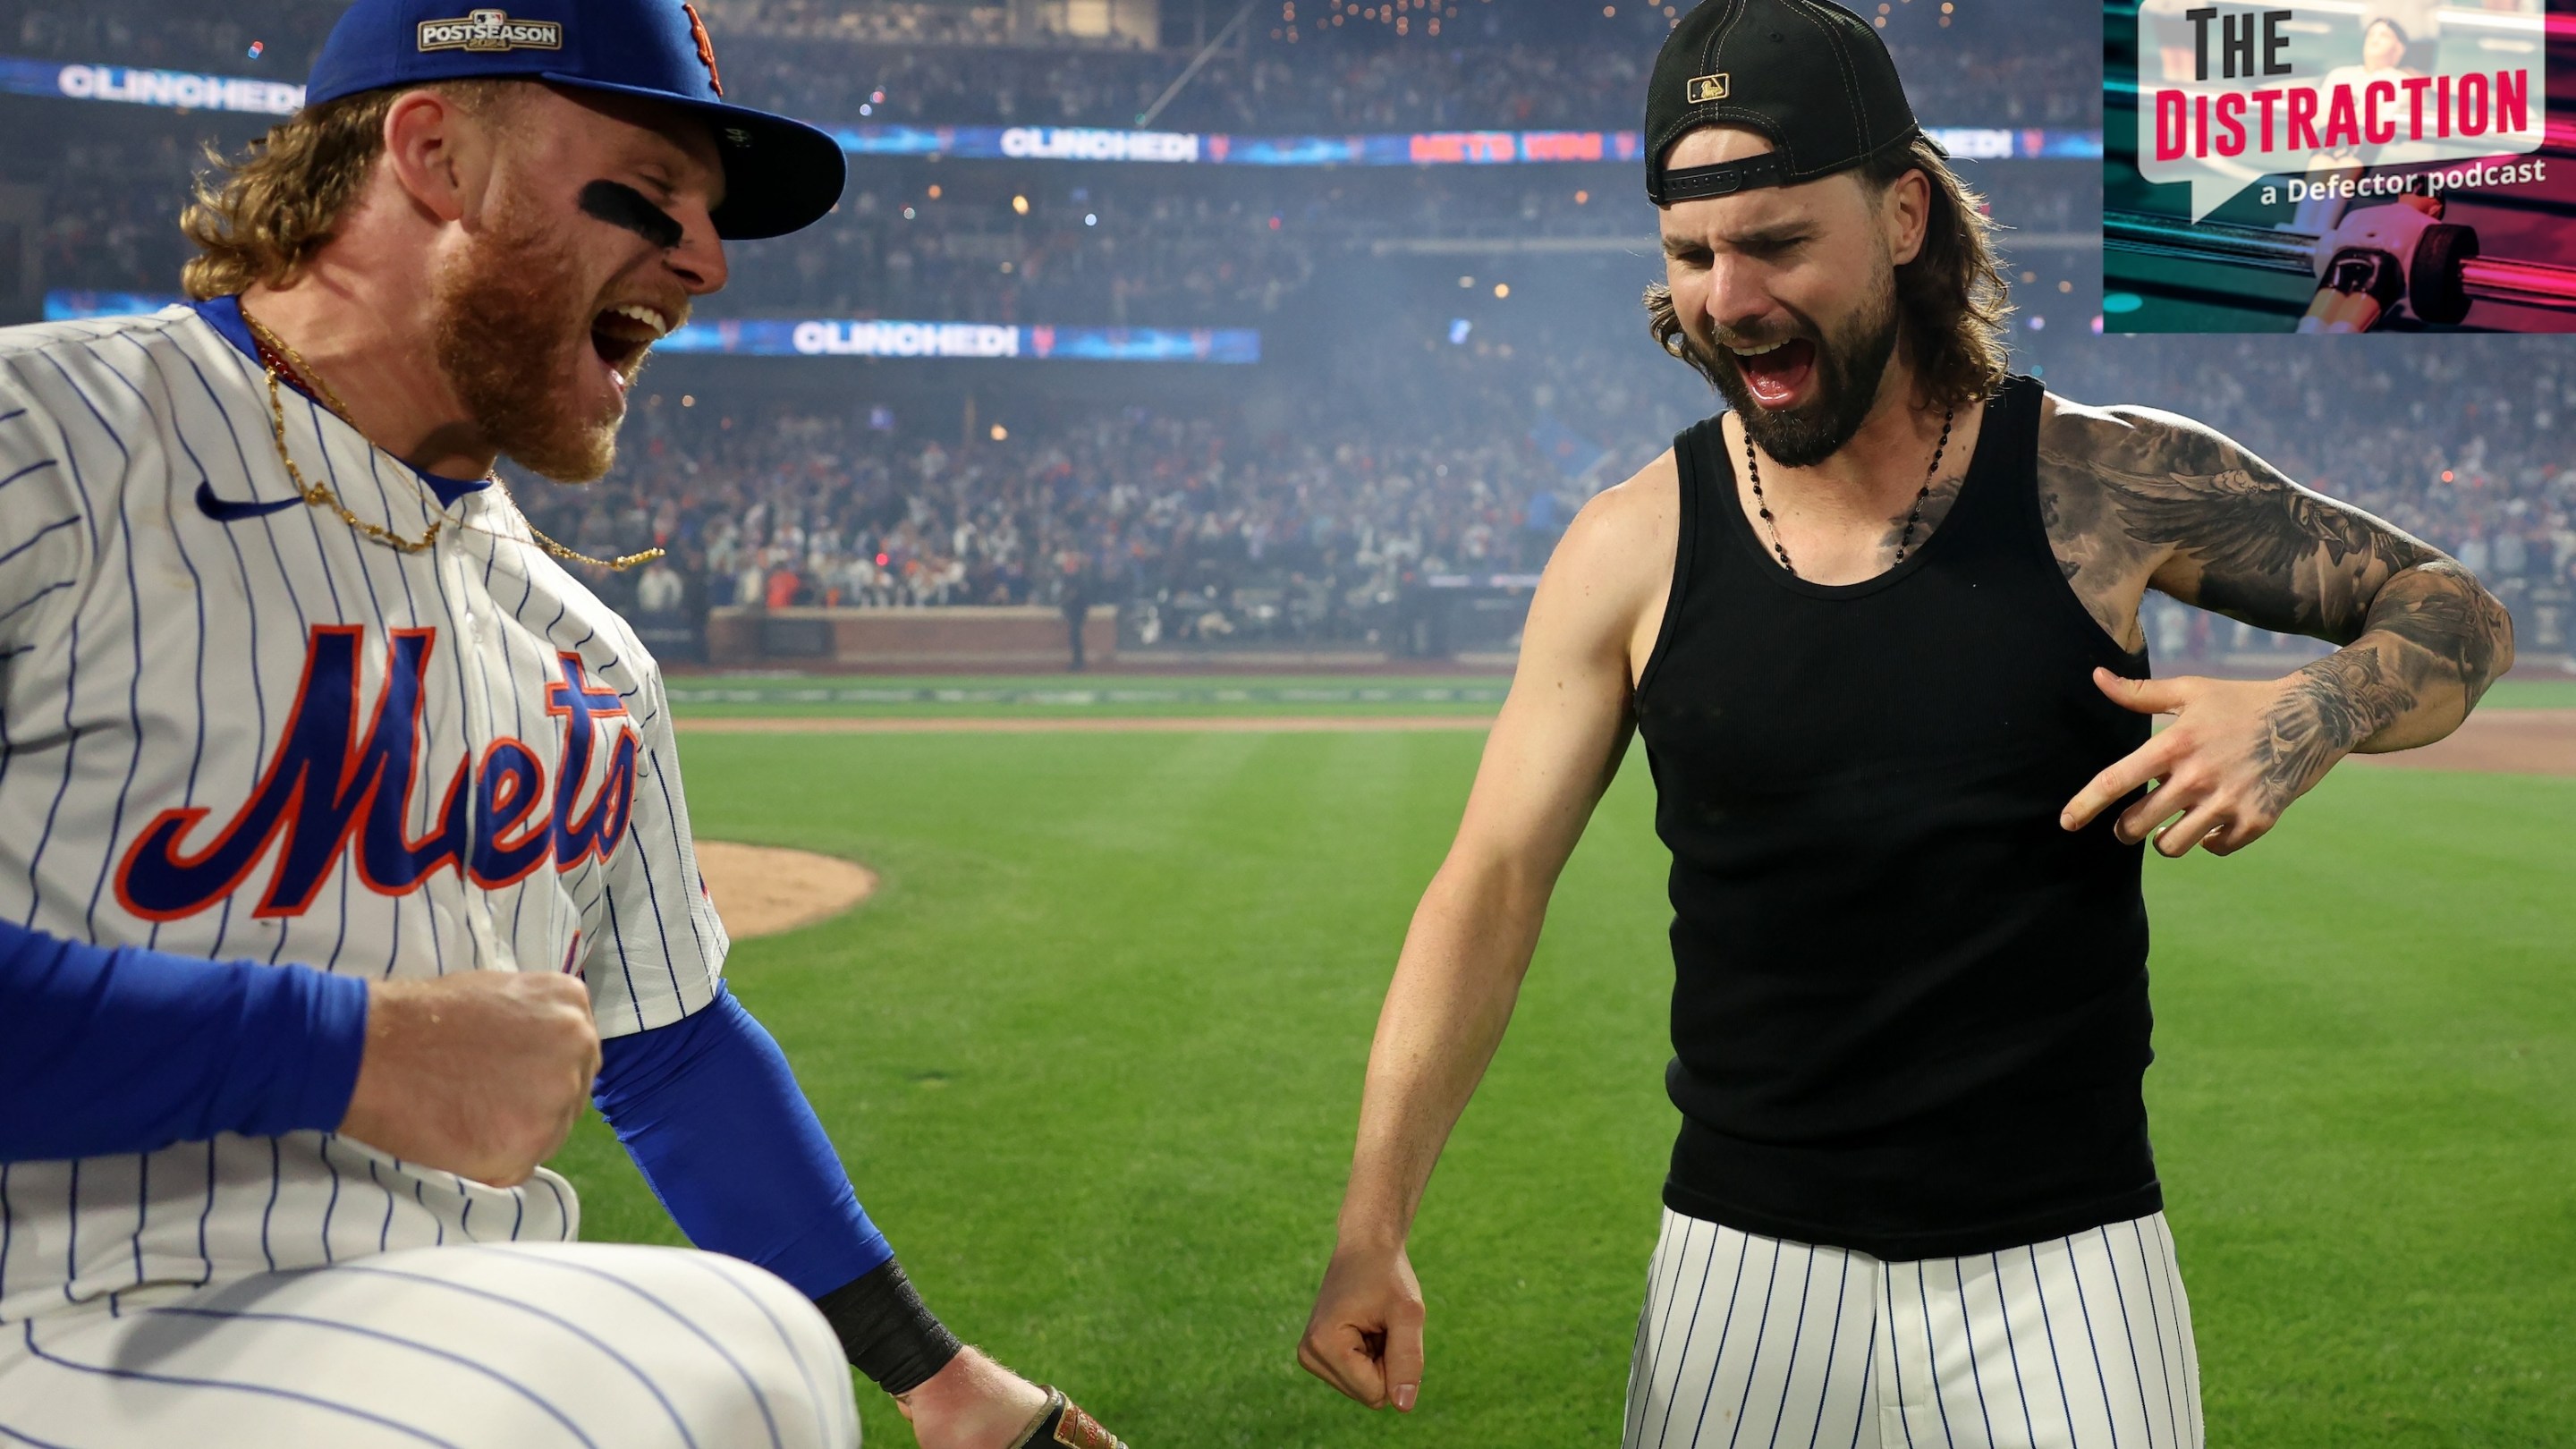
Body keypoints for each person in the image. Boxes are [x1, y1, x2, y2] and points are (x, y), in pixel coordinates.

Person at [1295, 2, 2513, 1445]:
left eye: (1777, 241)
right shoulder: (1629, 547)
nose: (1729, 297)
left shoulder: (2100, 485)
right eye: (1692, 255)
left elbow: (2456, 612)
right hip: (1738, 1271)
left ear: (1905, 216)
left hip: (2069, 1274)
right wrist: (1373, 1221)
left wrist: (2309, 711)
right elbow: (1490, 881)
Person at [0, 2, 1124, 1446]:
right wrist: (336, 1049)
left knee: (752, 1354)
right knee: (627, 1399)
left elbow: (667, 1044)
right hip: (55, 1314)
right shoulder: (43, 446)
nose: (709, 264)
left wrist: (936, 1374)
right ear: (434, 153)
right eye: (654, 196)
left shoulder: (582, 653)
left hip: (431, 1315)